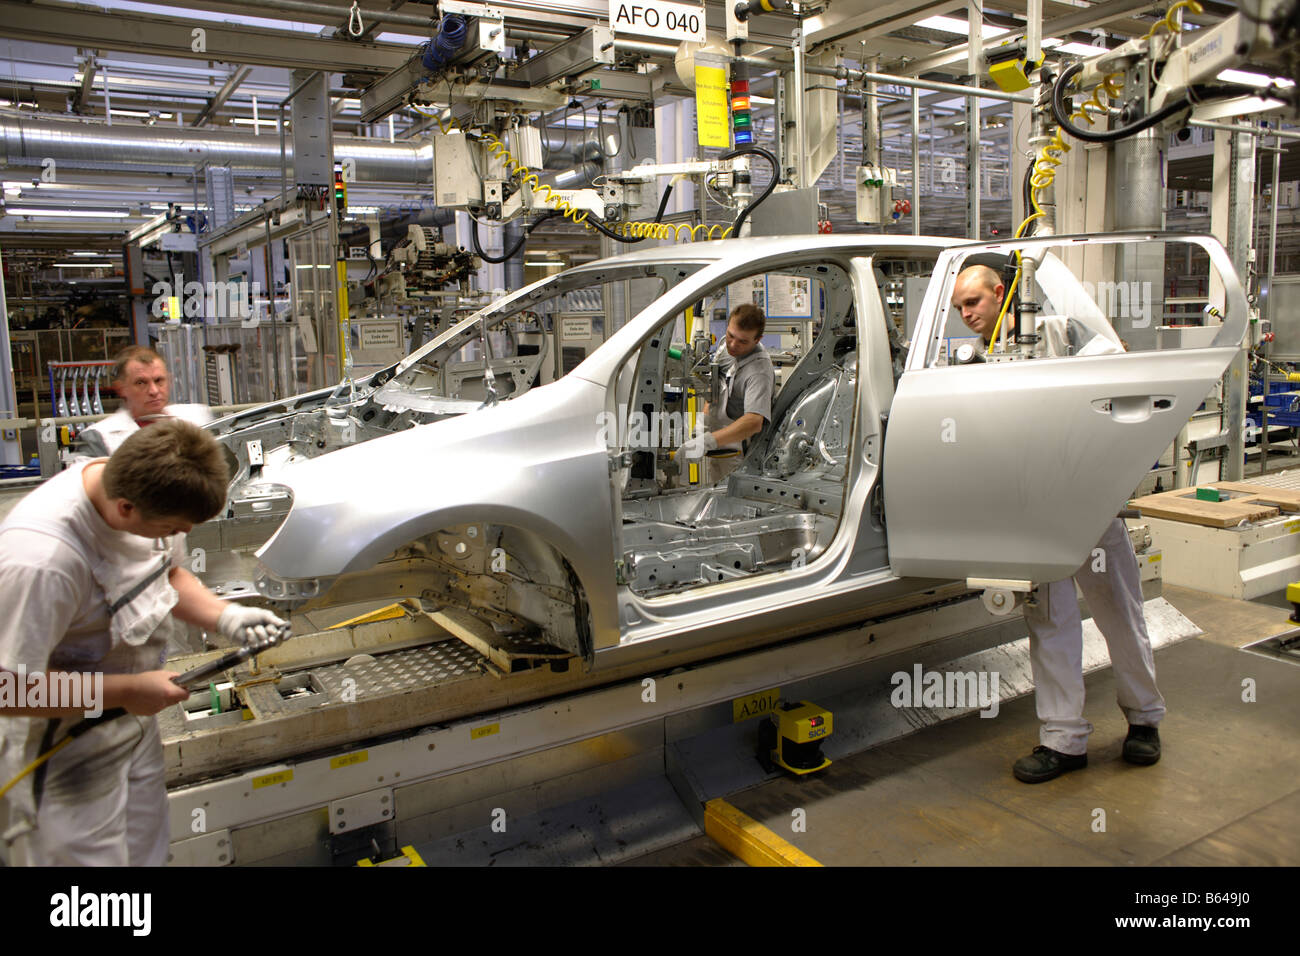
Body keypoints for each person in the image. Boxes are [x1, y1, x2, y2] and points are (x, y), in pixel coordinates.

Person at [0, 419, 285, 865]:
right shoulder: (42, 561)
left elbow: (167, 575)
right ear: (127, 509)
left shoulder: (148, 483)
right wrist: (130, 691)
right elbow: (11, 688)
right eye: (172, 526)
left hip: (134, 729)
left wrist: (225, 615)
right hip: (61, 751)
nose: (178, 535)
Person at [951, 264, 1164, 783]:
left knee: (1120, 614)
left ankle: (1144, 721)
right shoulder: (979, 359)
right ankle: (1063, 740)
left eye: (973, 302)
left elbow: (1114, 379)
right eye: (959, 308)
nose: (966, 315)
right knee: (1049, 623)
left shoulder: (1060, 331)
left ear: (1002, 293)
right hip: (1034, 515)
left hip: (1089, 506)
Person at [675, 304, 776, 471]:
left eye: (743, 341)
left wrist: (706, 441)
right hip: (717, 442)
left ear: (757, 340)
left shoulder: (759, 371)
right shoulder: (725, 346)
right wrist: (703, 422)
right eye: (731, 335)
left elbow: (754, 422)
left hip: (740, 453)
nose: (734, 345)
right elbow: (716, 383)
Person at [76, 345, 213, 459]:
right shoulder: (98, 438)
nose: (153, 391)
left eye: (159, 380)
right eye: (141, 382)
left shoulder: (199, 418)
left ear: (169, 381)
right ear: (121, 388)